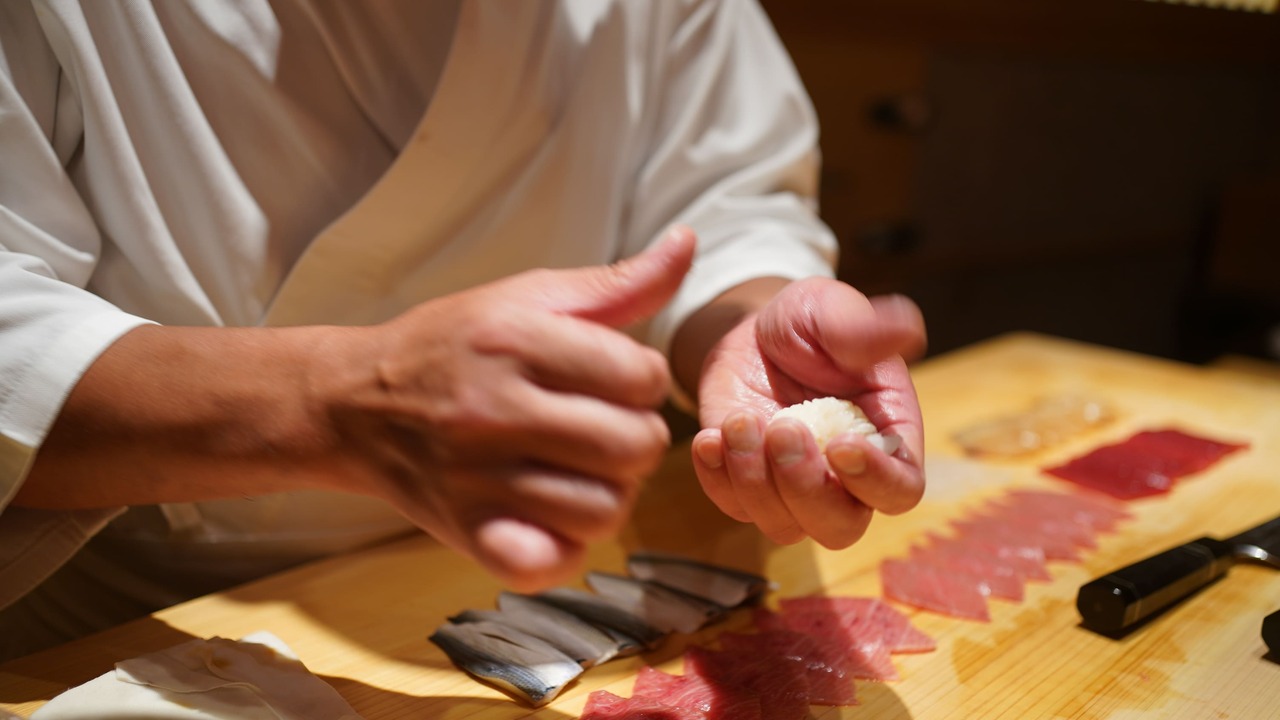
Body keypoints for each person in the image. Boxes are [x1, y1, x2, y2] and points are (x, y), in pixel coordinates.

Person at [0, 0, 926, 659]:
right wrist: (333, 405)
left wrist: (740, 314)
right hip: (128, 632)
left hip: (566, 590)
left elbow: (727, 190)